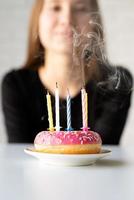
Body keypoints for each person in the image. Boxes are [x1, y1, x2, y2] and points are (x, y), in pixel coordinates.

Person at [1, 0, 133, 144]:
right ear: (37, 19)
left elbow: (102, 152)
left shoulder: (115, 84)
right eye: (56, 7)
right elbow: (17, 157)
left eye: (81, 8)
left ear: (95, 22)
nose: (67, 19)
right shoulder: (16, 84)